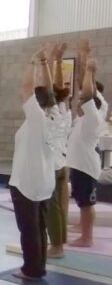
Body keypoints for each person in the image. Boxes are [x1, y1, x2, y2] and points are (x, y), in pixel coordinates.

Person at [9, 47, 56, 280]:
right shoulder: (57, 115)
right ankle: (39, 266)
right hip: (44, 182)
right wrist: (45, 63)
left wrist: (33, 61)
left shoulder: (37, 119)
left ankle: (31, 269)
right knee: (39, 227)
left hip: (27, 183)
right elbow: (51, 91)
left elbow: (26, 88)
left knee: (29, 229)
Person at [67, 41, 104, 248]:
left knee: (87, 203)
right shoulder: (84, 117)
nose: (78, 101)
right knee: (82, 201)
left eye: (81, 101)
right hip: (79, 164)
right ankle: (83, 228)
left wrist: (90, 69)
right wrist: (83, 57)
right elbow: (84, 87)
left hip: (87, 167)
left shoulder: (93, 118)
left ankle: (87, 237)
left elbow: (88, 92)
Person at [46, 43, 71, 258]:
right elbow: (59, 88)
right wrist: (59, 60)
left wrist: (51, 61)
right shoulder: (65, 107)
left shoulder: (52, 110)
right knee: (60, 205)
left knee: (51, 205)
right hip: (63, 162)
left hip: (54, 164)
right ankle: (60, 242)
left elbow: (52, 87)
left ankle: (56, 246)